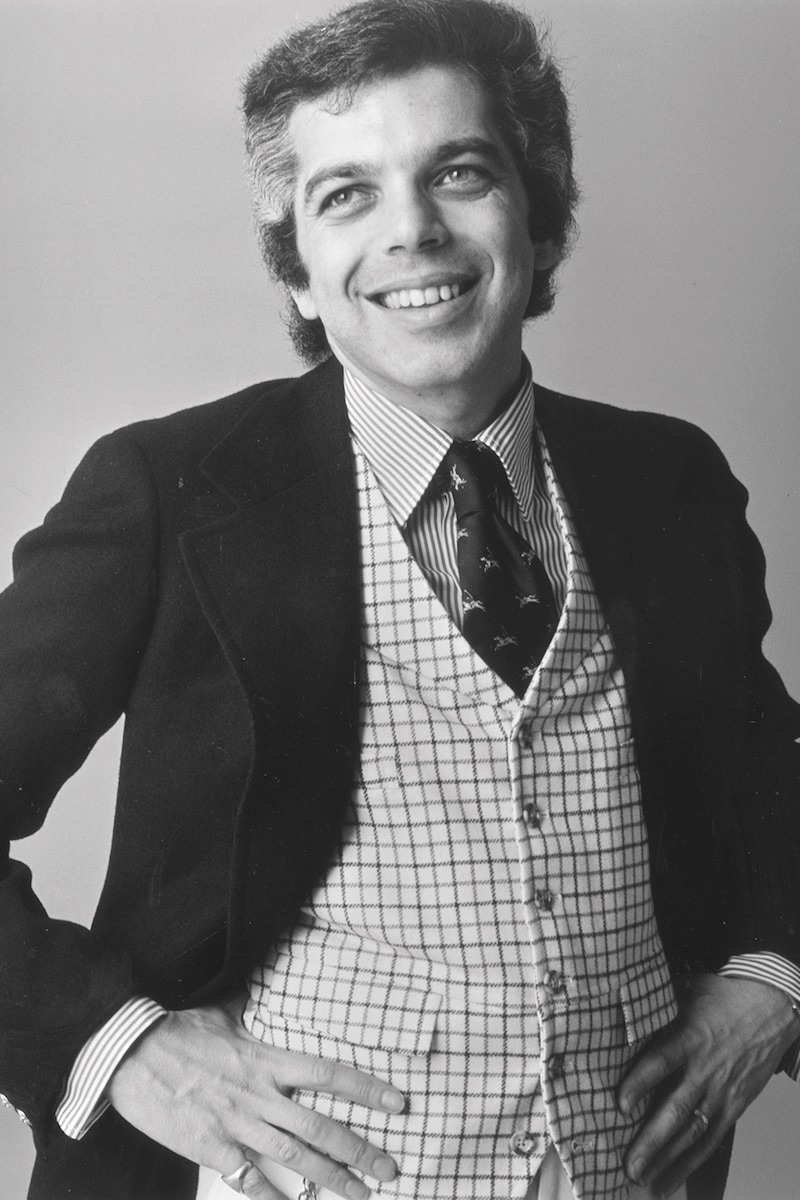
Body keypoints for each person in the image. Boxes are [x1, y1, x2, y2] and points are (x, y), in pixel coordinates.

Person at [1, 1, 799, 1198]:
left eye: (460, 173)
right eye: (347, 195)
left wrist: (773, 979)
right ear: (301, 272)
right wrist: (119, 1048)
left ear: (534, 211)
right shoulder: (165, 489)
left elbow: (762, 771)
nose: (412, 231)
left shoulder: (667, 480)